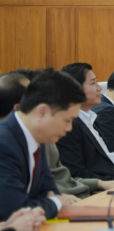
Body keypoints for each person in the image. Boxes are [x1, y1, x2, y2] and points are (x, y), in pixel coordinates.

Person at [0, 69, 83, 220]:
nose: (69, 128)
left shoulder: (38, 137)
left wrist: (51, 200)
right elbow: (15, 211)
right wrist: (56, 203)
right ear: (42, 112)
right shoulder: (3, 143)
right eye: (67, 120)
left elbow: (49, 191)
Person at [56, 63, 114, 182]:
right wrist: (113, 182)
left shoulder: (90, 118)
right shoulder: (69, 127)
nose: (99, 87)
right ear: (75, 89)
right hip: (105, 186)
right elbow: (76, 174)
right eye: (93, 83)